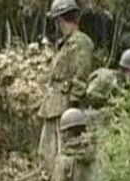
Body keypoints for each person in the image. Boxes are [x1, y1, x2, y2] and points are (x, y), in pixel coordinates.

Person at [37, 0, 94, 171]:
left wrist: (73, 103)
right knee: (48, 151)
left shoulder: (81, 42)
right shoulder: (66, 43)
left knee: (62, 150)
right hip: (54, 104)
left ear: (62, 20)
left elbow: (81, 74)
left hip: (64, 106)